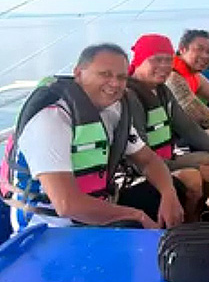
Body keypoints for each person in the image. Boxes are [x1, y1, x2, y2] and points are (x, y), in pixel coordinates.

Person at [3, 44, 187, 231]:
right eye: (105, 74)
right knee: (136, 225)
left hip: (96, 210)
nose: (115, 83)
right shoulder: (51, 120)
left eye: (121, 77)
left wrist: (168, 194)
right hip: (49, 228)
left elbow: (148, 161)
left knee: (176, 189)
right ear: (78, 73)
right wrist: (135, 215)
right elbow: (67, 204)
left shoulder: (113, 111)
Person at [127, 34, 209, 192]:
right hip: (139, 172)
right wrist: (198, 168)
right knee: (193, 177)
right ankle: (189, 216)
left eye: (168, 60)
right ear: (140, 60)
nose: (164, 66)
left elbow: (188, 127)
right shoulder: (130, 97)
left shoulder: (162, 91)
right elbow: (139, 161)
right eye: (156, 59)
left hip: (167, 158)